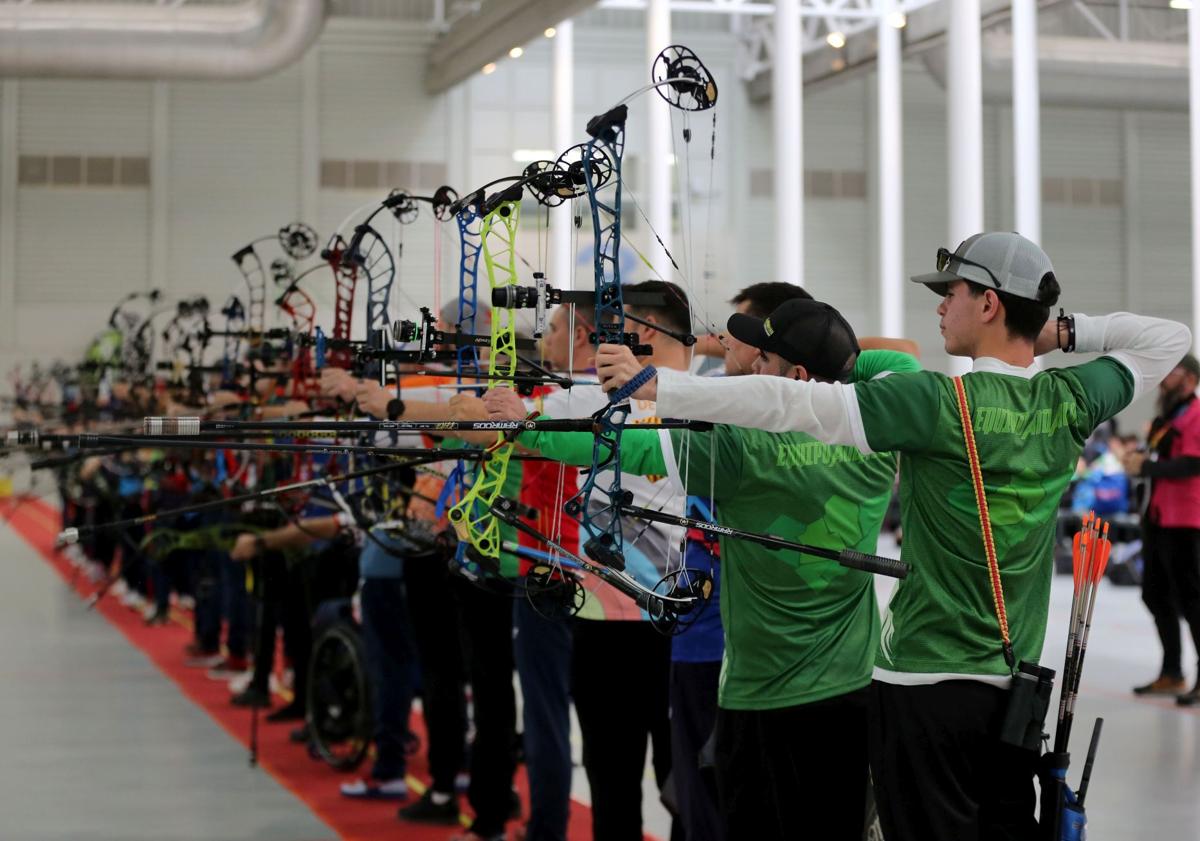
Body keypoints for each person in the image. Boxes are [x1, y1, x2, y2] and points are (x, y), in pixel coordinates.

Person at [595, 231, 1191, 840]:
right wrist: (1057, 335)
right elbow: (1171, 339)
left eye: (951, 292)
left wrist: (657, 387)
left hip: (920, 684)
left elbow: (790, 403)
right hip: (1014, 686)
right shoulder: (1070, 397)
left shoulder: (935, 403)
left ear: (989, 304)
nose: (939, 306)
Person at [483, 297, 920, 841]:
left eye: (765, 364)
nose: (751, 372)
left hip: (761, 701)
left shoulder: (743, 449)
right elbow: (899, 365)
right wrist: (833, 372)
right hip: (852, 692)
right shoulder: (876, 435)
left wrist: (525, 426)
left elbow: (621, 446)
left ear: (797, 378)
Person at [1123, 353, 1200, 704]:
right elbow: (1156, 456)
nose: (1164, 379)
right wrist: (1137, 461)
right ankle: (1172, 672)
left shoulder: (1196, 415)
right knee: (1154, 594)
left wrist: (1148, 468)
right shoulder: (1166, 418)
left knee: (1193, 600)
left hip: (1187, 520)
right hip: (1157, 517)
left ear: (1189, 378)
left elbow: (1191, 463)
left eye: (1172, 373)